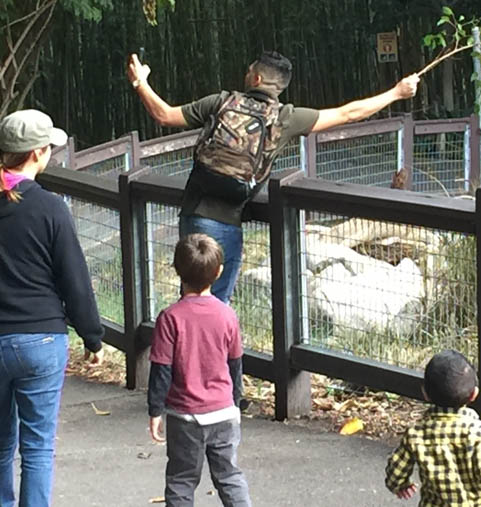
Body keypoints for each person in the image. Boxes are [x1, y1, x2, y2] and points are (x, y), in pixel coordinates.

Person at [126, 50, 419, 304]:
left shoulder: (222, 102)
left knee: (190, 300)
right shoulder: (285, 118)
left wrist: (141, 82)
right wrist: (397, 92)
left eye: (249, 70)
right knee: (218, 304)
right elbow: (349, 113)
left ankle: (183, 366)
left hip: (195, 214)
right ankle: (221, 368)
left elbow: (163, 114)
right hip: (229, 223)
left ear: (255, 79)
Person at [0, 109, 104, 507]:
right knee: (38, 447)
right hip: (41, 338)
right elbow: (74, 280)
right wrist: (91, 336)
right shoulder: (50, 208)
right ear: (39, 153)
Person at [148, 233, 250, 506]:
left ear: (177, 270)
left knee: (181, 480)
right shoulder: (227, 315)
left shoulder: (170, 318)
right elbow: (235, 364)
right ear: (218, 272)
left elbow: (162, 369)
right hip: (223, 412)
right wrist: (235, 402)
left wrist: (155, 410)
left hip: (185, 416)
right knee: (229, 476)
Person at [385, 349, 481, 505]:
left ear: (425, 393)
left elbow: (396, 469)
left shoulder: (416, 434)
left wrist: (399, 485)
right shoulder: (478, 432)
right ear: (474, 394)